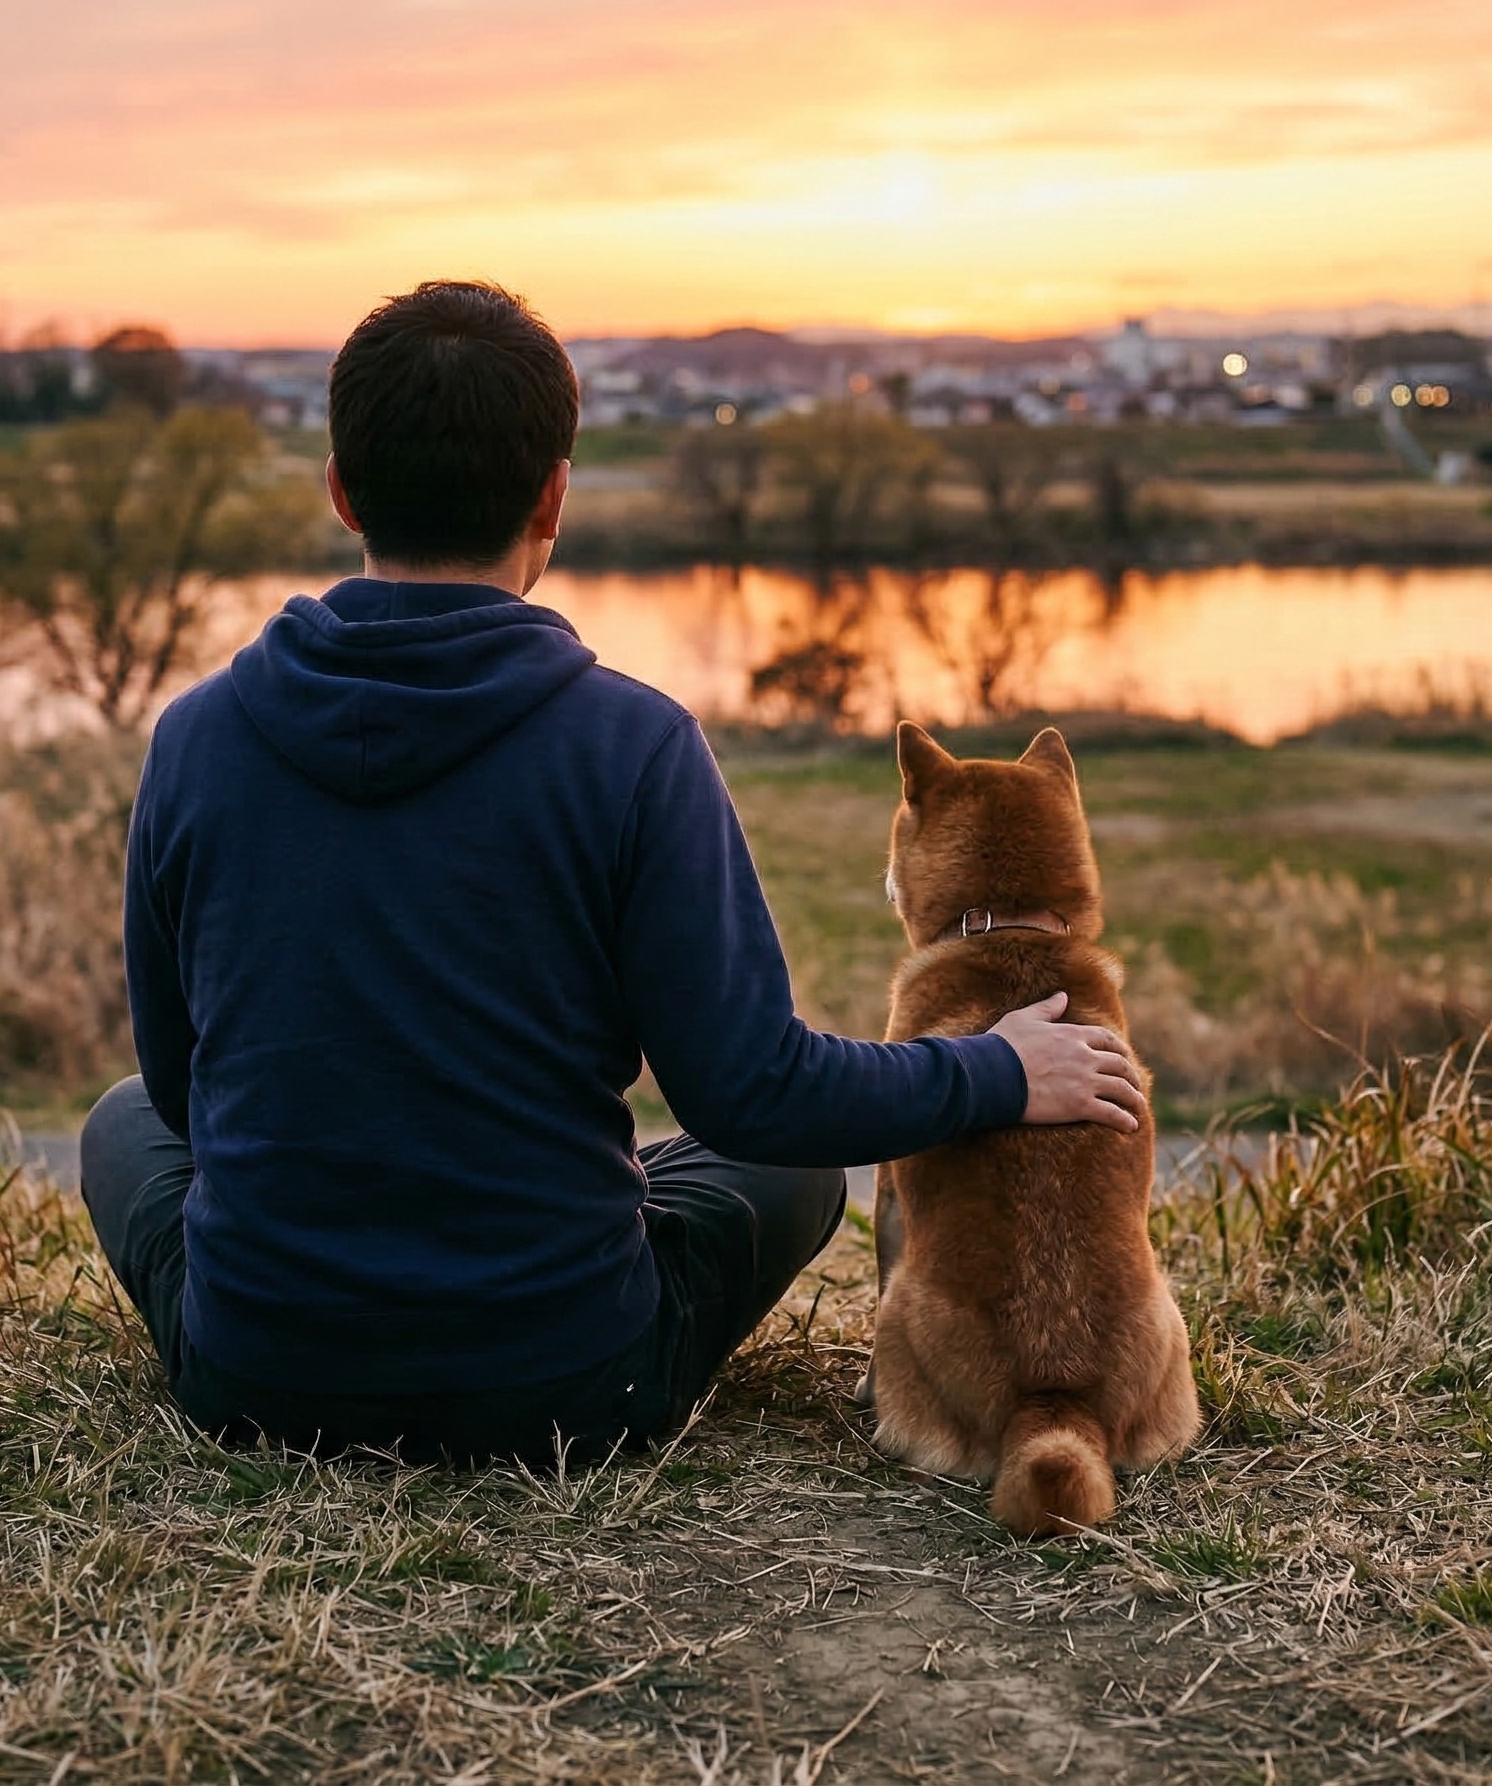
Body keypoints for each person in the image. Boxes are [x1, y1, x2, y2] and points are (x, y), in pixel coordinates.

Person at [81, 280, 1145, 1464]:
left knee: (120, 1122)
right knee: (787, 1175)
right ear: (553, 494)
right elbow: (753, 1099)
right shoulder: (633, 746)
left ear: (339, 487)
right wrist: (992, 1072)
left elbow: (181, 1092)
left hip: (259, 1374)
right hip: (565, 1379)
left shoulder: (196, 735)